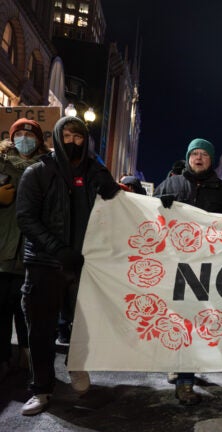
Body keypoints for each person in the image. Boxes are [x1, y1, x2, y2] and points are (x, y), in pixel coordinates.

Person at [16, 116, 121, 416]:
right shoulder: (38, 173)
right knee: (41, 330)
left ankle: (77, 367)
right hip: (44, 264)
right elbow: (26, 217)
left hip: (84, 265)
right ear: (57, 137)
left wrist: (162, 205)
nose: (73, 142)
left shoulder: (94, 173)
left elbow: (122, 208)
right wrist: (57, 248)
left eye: (79, 137)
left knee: (84, 326)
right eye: (68, 135)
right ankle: (41, 388)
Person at [154, 138, 222, 405]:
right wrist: (160, 206)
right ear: (188, 158)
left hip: (210, 265)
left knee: (202, 322)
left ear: (212, 160)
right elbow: (148, 218)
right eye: (194, 154)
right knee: (182, 321)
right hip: (178, 265)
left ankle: (189, 368)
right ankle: (185, 382)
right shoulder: (170, 185)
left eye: (204, 154)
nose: (199, 158)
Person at [0, 119, 50, 381]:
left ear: (39, 140)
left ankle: (27, 359)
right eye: (18, 134)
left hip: (31, 253)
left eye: (29, 135)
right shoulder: (1, 161)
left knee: (27, 309)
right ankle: (3, 359)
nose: (24, 139)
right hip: (2, 249)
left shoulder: (46, 168)